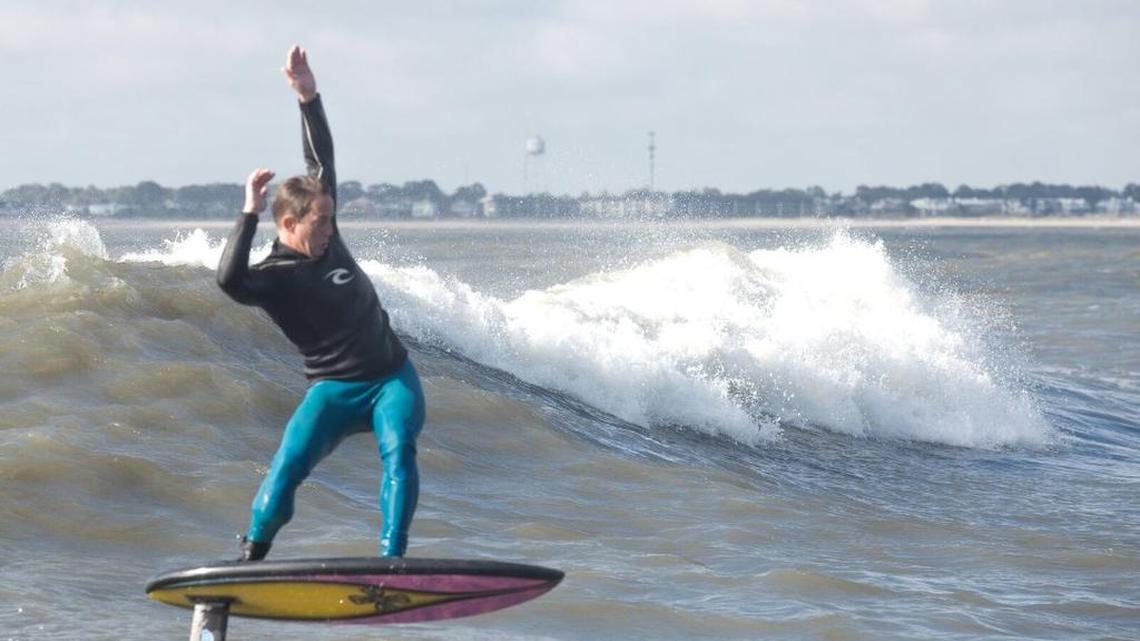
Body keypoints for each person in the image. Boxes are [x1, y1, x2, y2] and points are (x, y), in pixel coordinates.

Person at [217, 45, 425, 561]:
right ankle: (253, 553)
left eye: (332, 218)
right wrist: (248, 212)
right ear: (288, 224)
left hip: (390, 379)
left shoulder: (329, 238)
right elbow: (228, 280)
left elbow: (320, 159)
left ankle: (392, 561)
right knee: (286, 467)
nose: (331, 228)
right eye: (320, 221)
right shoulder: (272, 277)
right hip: (332, 391)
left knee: (399, 455)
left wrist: (307, 97)